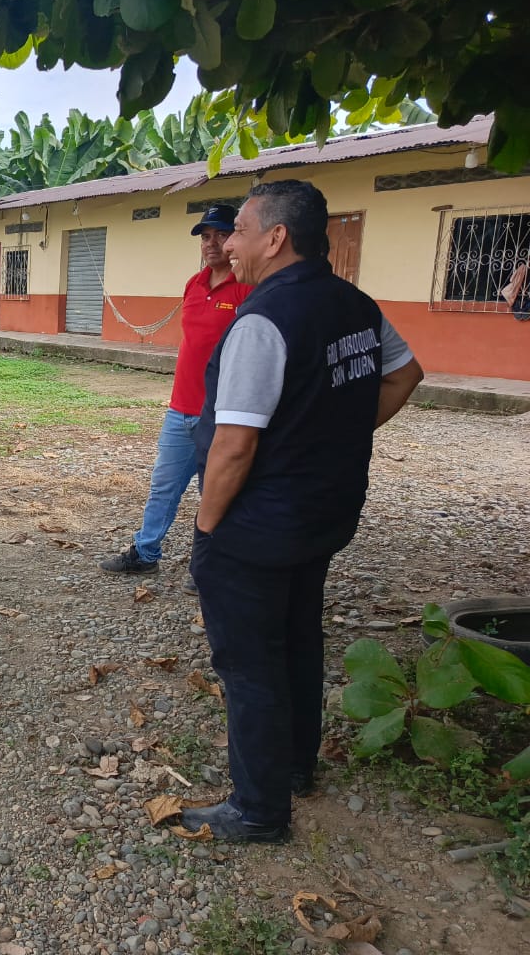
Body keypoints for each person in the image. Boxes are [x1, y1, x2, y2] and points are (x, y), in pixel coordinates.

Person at [180, 180, 424, 842]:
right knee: (297, 638)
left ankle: (258, 809)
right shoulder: (355, 304)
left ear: (276, 237)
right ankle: (294, 765)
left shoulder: (263, 321)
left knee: (249, 661)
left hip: (258, 522)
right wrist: (334, 434)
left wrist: (207, 526)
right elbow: (405, 374)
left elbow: (234, 444)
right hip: (323, 513)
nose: (229, 244)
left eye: (240, 230)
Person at [99, 204, 252, 594]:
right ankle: (146, 553)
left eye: (221, 235)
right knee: (163, 487)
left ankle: (211, 567)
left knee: (215, 493)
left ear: (235, 240)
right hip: (180, 409)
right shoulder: (193, 284)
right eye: (206, 237)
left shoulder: (247, 288)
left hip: (220, 413)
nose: (212, 243)